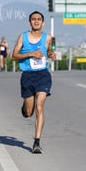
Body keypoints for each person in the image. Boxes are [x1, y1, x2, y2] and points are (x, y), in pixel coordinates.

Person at [11, 11, 56, 154]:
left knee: (40, 107)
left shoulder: (48, 38)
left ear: (43, 22)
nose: (36, 21)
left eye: (39, 19)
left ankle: (37, 142)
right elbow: (13, 56)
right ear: (29, 22)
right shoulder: (23, 37)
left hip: (43, 75)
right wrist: (30, 54)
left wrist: (51, 54)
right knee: (29, 112)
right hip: (27, 76)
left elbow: (49, 52)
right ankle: (25, 107)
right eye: (33, 19)